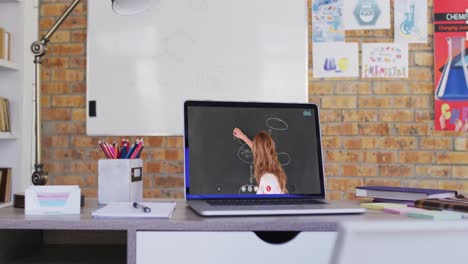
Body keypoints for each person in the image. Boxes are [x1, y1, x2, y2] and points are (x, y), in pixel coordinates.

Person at [233, 128, 288, 194]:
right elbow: (261, 152)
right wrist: (243, 137)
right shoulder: (273, 173)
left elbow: (268, 203)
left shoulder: (267, 179)